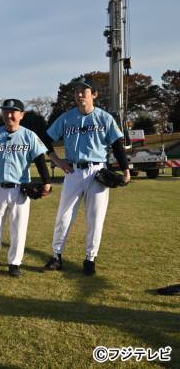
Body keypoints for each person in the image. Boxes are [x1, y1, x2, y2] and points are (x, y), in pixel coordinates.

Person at [42, 78, 130, 275]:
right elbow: (46, 140)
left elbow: (117, 144)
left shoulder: (105, 118)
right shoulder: (66, 118)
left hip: (97, 172)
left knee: (95, 218)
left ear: (94, 95)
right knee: (63, 217)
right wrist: (58, 161)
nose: (80, 94)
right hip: (73, 171)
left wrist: (125, 169)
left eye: (84, 91)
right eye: (77, 91)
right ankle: (56, 256)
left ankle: (90, 259)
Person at [0, 99, 51, 278]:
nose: (9, 115)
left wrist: (46, 181)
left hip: (21, 189)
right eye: (6, 111)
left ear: (22, 115)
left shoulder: (29, 135)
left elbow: (40, 159)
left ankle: (15, 263)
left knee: (18, 228)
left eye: (14, 112)